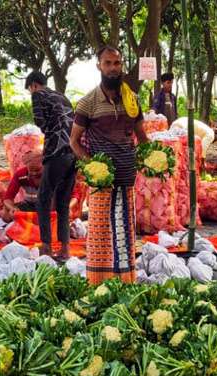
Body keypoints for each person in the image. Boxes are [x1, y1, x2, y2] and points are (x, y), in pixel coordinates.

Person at [69, 45, 149, 285]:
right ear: (99, 66)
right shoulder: (88, 102)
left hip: (126, 177)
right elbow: (73, 141)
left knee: (125, 231)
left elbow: (141, 136)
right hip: (101, 182)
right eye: (108, 63)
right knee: (101, 232)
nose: (113, 68)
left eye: (117, 63)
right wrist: (92, 167)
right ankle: (97, 282)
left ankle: (125, 281)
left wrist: (151, 157)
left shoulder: (131, 100)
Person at [25, 70, 77, 259]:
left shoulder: (38, 95)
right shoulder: (62, 96)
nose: (32, 92)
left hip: (56, 152)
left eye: (30, 89)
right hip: (73, 153)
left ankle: (46, 245)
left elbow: (41, 123)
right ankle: (65, 249)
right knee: (63, 202)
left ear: (34, 85)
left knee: (43, 199)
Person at [2, 149, 44, 220]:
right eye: (30, 170)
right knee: (6, 212)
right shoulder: (20, 175)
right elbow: (7, 198)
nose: (34, 173)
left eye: (37, 170)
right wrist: (13, 208)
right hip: (29, 205)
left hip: (49, 207)